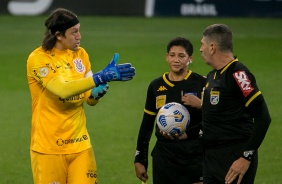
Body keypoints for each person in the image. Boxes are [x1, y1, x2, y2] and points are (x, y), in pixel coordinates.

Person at [26, 8, 135, 184]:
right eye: (74, 32)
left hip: (80, 145)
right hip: (48, 149)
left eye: (79, 30)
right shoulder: (38, 59)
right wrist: (99, 77)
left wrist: (95, 94)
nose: (79, 36)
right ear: (59, 35)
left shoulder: (80, 55)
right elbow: (63, 90)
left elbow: (88, 97)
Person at [200, 24, 271, 184]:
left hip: (234, 159)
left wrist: (246, 157)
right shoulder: (212, 76)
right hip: (210, 159)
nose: (200, 50)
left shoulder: (238, 74)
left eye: (202, 45)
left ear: (212, 48)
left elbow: (263, 117)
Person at [134, 37, 206, 184]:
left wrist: (189, 133)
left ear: (190, 59)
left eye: (181, 56)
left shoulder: (201, 84)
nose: (176, 60)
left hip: (193, 154)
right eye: (172, 55)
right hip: (165, 155)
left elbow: (212, 120)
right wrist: (140, 158)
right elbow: (147, 125)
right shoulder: (156, 86)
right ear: (167, 57)